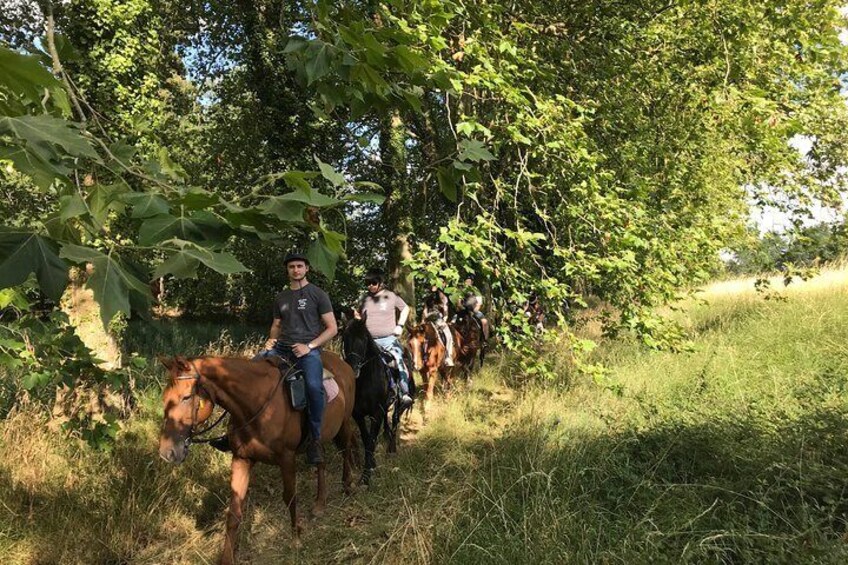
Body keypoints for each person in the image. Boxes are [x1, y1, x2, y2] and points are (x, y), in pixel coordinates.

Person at [254, 251, 337, 465]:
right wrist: (271, 341)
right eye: (292, 267)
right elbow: (277, 325)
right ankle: (241, 431)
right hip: (281, 348)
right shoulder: (281, 297)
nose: (296, 270)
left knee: (313, 386)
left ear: (307, 268)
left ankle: (315, 439)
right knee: (251, 372)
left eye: (300, 266)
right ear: (287, 270)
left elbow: (332, 328)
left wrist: (309, 346)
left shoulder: (318, 294)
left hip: (308, 349)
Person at [355, 268, 414, 407]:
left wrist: (400, 325)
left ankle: (404, 393)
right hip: (369, 342)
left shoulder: (391, 296)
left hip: (389, 340)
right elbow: (359, 316)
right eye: (367, 283)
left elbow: (405, 308)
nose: (370, 286)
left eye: (373, 282)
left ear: (380, 283)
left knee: (399, 361)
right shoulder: (364, 298)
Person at [422, 284, 454, 366]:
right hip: (429, 320)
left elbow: (446, 312)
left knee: (448, 335)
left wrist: (444, 320)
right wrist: (423, 321)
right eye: (432, 285)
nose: (433, 286)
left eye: (435, 285)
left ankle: (448, 356)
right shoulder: (427, 298)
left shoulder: (443, 298)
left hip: (439, 320)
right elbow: (425, 311)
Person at [455, 273, 489, 342]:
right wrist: (461, 307)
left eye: (469, 281)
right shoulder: (461, 290)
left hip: (474, 310)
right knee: (452, 321)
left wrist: (476, 309)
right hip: (463, 310)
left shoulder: (475, 290)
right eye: (467, 281)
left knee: (484, 321)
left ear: (472, 282)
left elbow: (479, 303)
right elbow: (459, 302)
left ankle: (484, 340)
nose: (468, 282)